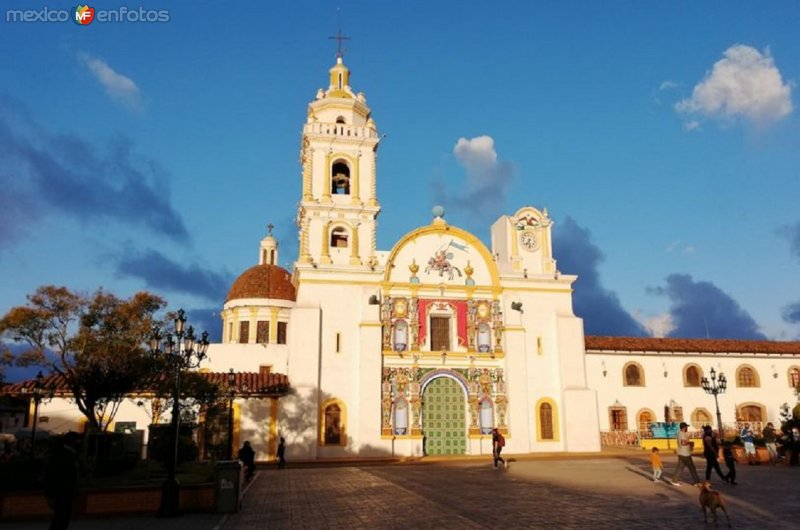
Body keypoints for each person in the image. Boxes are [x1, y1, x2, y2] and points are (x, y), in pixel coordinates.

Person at [44, 432, 80, 530]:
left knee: (61, 520)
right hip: (62, 493)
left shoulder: (67, 454)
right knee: (61, 520)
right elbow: (53, 475)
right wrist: (50, 495)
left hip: (64, 493)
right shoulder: (64, 455)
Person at [671, 422, 699, 486]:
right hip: (685, 453)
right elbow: (683, 443)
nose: (687, 428)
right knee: (692, 468)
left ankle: (674, 480)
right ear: (684, 427)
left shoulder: (679, 433)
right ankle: (696, 482)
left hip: (681, 452)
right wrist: (690, 443)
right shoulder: (682, 434)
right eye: (686, 427)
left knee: (680, 467)